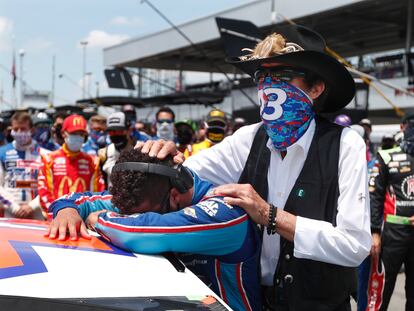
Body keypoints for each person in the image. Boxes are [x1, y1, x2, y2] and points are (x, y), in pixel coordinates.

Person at [136, 24, 371, 310]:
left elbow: (355, 246)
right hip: (254, 301)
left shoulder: (346, 144)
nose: (269, 86)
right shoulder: (248, 138)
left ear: (316, 87)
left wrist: (270, 215)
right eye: (263, 76)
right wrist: (164, 160)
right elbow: (182, 178)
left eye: (282, 76)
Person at [47, 149, 262, 311]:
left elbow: (140, 230)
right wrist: (67, 211)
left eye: (137, 214)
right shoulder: (151, 194)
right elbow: (76, 200)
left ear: (175, 196)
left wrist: (100, 218)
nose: (131, 216)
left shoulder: (227, 212)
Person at [370, 114, 414, 311]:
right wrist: (374, 232)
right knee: (381, 289)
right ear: (405, 128)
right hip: (392, 233)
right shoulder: (388, 156)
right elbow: (375, 195)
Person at [38, 114, 105, 218]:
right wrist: (57, 215)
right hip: (55, 220)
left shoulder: (93, 162)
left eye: (81, 134)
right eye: (74, 133)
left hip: (84, 221)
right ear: (64, 133)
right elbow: (44, 193)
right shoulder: (49, 159)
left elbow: (99, 195)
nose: (78, 137)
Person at [0, 111, 47, 219]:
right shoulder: (2, 153)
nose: (19, 132)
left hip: (37, 211)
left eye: (23, 129)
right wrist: (14, 207)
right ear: (11, 130)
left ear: (32, 130)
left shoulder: (45, 154)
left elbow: (49, 187)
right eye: (16, 129)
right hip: (11, 211)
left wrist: (32, 206)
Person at [98, 112, 134, 187]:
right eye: (112, 132)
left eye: (120, 131)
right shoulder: (103, 153)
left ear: (129, 130)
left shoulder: (138, 150)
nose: (116, 134)